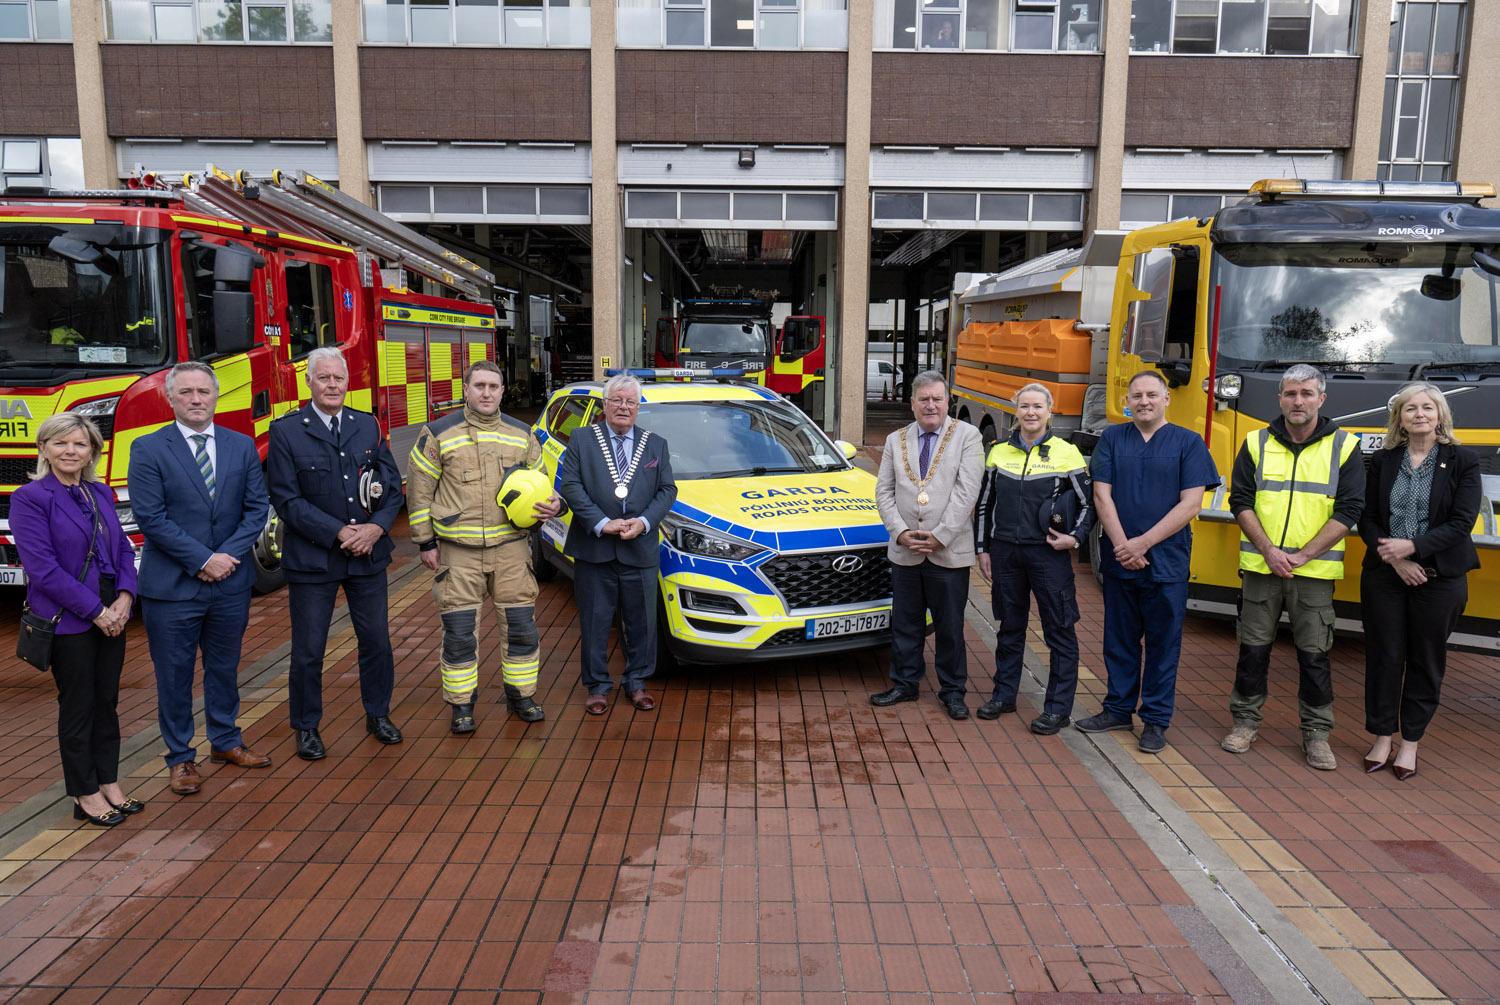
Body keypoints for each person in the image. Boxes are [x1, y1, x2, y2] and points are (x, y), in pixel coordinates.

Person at [130, 361, 272, 795]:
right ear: (169, 398)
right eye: (186, 392)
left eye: (203, 392)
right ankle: (180, 758)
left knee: (224, 668)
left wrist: (225, 556)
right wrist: (202, 560)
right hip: (173, 588)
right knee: (173, 675)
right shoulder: (148, 448)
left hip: (229, 583)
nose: (195, 399)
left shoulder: (241, 446)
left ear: (216, 397)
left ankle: (226, 741)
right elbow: (150, 518)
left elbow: (256, 508)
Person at [407, 360, 562, 734]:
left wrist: (555, 505)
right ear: (466, 389)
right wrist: (426, 542)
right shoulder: (438, 434)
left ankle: (521, 695)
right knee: (459, 633)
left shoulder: (522, 435)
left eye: (494, 386)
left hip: (511, 550)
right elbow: (418, 493)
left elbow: (541, 486)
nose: (487, 393)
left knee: (522, 628)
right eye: (479, 386)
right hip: (458, 553)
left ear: (503, 390)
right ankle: (461, 705)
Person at [1222, 365, 1363, 770]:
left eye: (1305, 394)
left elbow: (1350, 509)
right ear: (1279, 398)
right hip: (1262, 568)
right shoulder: (1255, 443)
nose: (1297, 401)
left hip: (1313, 573)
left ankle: (1317, 735)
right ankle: (1244, 723)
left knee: (1314, 656)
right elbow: (1241, 500)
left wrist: (1302, 556)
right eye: (1290, 394)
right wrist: (1269, 551)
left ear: (1321, 398)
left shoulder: (1344, 447)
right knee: (1253, 651)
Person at [268, 347, 406, 761]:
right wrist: (340, 532)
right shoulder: (287, 430)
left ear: (349, 382)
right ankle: (307, 726)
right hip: (314, 559)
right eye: (324, 378)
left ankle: (378, 713)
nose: (332, 385)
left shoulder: (366, 425)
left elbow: (392, 485)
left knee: (377, 643)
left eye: (339, 378)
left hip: (367, 555)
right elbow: (286, 499)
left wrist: (377, 527)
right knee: (310, 650)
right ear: (308, 382)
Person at [1076, 369, 1219, 753]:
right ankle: (1118, 708)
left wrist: (1143, 543)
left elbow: (1191, 503)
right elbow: (1101, 497)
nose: (1143, 401)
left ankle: (1155, 720)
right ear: (1128, 401)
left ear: (1166, 398)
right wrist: (1124, 545)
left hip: (1166, 563)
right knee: (1118, 639)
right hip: (1120, 558)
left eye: (1151, 395)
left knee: (1162, 643)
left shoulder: (1188, 444)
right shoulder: (1112, 439)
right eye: (1136, 395)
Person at [10, 415, 143, 827]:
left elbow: (122, 549)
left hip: (110, 608)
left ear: (92, 452)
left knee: (107, 701)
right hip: (69, 615)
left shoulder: (100, 492)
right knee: (79, 705)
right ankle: (84, 792)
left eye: (80, 444)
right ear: (44, 449)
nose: (71, 451)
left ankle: (109, 781)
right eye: (61, 443)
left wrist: (124, 597)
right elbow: (43, 570)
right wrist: (97, 611)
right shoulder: (30, 498)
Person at [1359, 382, 1480, 781]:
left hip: (1438, 578)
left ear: (1440, 415)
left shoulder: (1462, 460)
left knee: (1425, 661)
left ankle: (1410, 742)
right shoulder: (1383, 460)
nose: (1420, 415)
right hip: (1386, 576)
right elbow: (1368, 517)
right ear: (1400, 418)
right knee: (1384, 657)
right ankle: (1381, 737)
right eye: (1411, 408)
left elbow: (1462, 523)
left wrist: (1412, 549)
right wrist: (1396, 561)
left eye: (1428, 407)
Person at [973, 383, 1092, 733]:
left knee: (1059, 630)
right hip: (1006, 552)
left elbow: (1088, 503)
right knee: (1010, 628)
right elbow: (983, 505)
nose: (1030, 412)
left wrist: (1075, 539)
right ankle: (1004, 694)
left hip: (1047, 555)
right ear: (1016, 411)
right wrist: (983, 549)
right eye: (1024, 406)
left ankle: (1057, 708)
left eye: (1037, 406)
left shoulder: (1067, 453)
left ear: (1049, 411)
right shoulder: (997, 453)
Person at [558, 373, 677, 715]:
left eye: (630, 402)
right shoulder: (581, 439)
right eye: (617, 401)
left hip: (639, 549)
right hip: (594, 549)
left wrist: (643, 522)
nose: (624, 407)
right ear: (605, 404)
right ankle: (597, 686)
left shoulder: (656, 445)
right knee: (595, 622)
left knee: (641, 622)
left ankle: (637, 682)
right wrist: (600, 522)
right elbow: (571, 486)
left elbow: (667, 490)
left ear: (638, 408)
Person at [871, 371, 984, 719]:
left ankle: (953, 690)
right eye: (924, 399)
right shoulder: (895, 439)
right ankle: (905, 683)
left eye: (937, 399)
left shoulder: (968, 436)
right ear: (913, 404)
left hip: (947, 551)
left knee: (950, 625)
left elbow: (968, 492)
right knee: (905, 622)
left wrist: (941, 535)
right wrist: (900, 531)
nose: (931, 405)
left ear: (947, 401)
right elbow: (883, 491)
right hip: (905, 549)